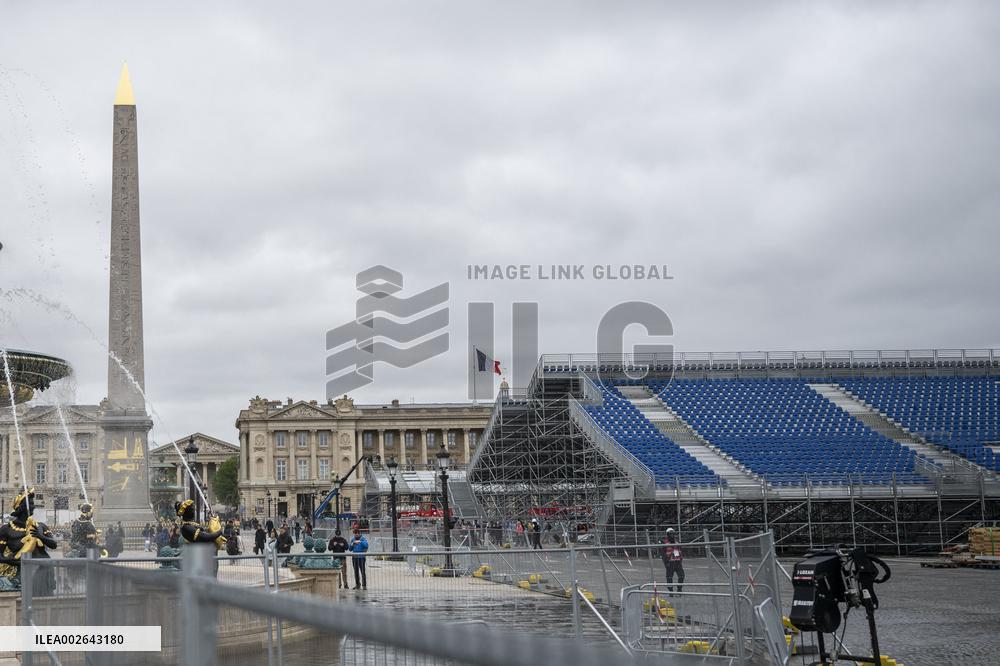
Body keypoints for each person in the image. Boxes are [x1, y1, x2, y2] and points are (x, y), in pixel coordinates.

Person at [661, 528, 685, 594]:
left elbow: (680, 551)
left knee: (681, 576)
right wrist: (666, 562)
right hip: (670, 562)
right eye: (670, 534)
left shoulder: (677, 542)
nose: (672, 535)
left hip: (677, 562)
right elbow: (663, 554)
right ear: (668, 535)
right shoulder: (664, 543)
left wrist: (681, 559)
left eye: (673, 534)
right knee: (669, 577)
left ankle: (679, 589)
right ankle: (670, 591)